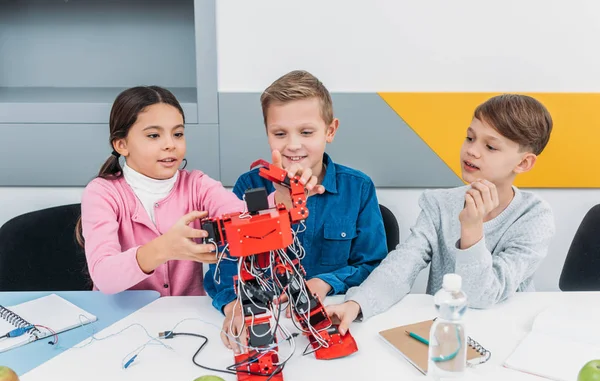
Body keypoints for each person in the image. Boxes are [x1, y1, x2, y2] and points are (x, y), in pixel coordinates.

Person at [326, 93, 556, 335]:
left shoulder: (534, 217)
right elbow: (403, 265)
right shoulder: (439, 203)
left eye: (490, 146)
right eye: (470, 138)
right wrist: (356, 303)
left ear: (523, 163)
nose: (472, 151)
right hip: (443, 331)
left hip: (507, 331)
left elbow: (479, 296)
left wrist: (472, 228)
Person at [77, 85, 323, 296]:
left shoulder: (197, 185)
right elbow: (105, 277)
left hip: (186, 318)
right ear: (122, 145)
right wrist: (163, 248)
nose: (170, 145)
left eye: (178, 134)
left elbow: (245, 218)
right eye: (153, 135)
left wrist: (283, 196)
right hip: (120, 321)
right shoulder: (102, 193)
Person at [206, 71, 387, 351]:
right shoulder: (248, 186)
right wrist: (233, 306)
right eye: (280, 133)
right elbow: (222, 267)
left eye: (306, 132)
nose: (292, 145)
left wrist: (325, 283)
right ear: (267, 133)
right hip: (264, 321)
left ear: (330, 130)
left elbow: (374, 265)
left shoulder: (358, 189)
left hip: (331, 312)